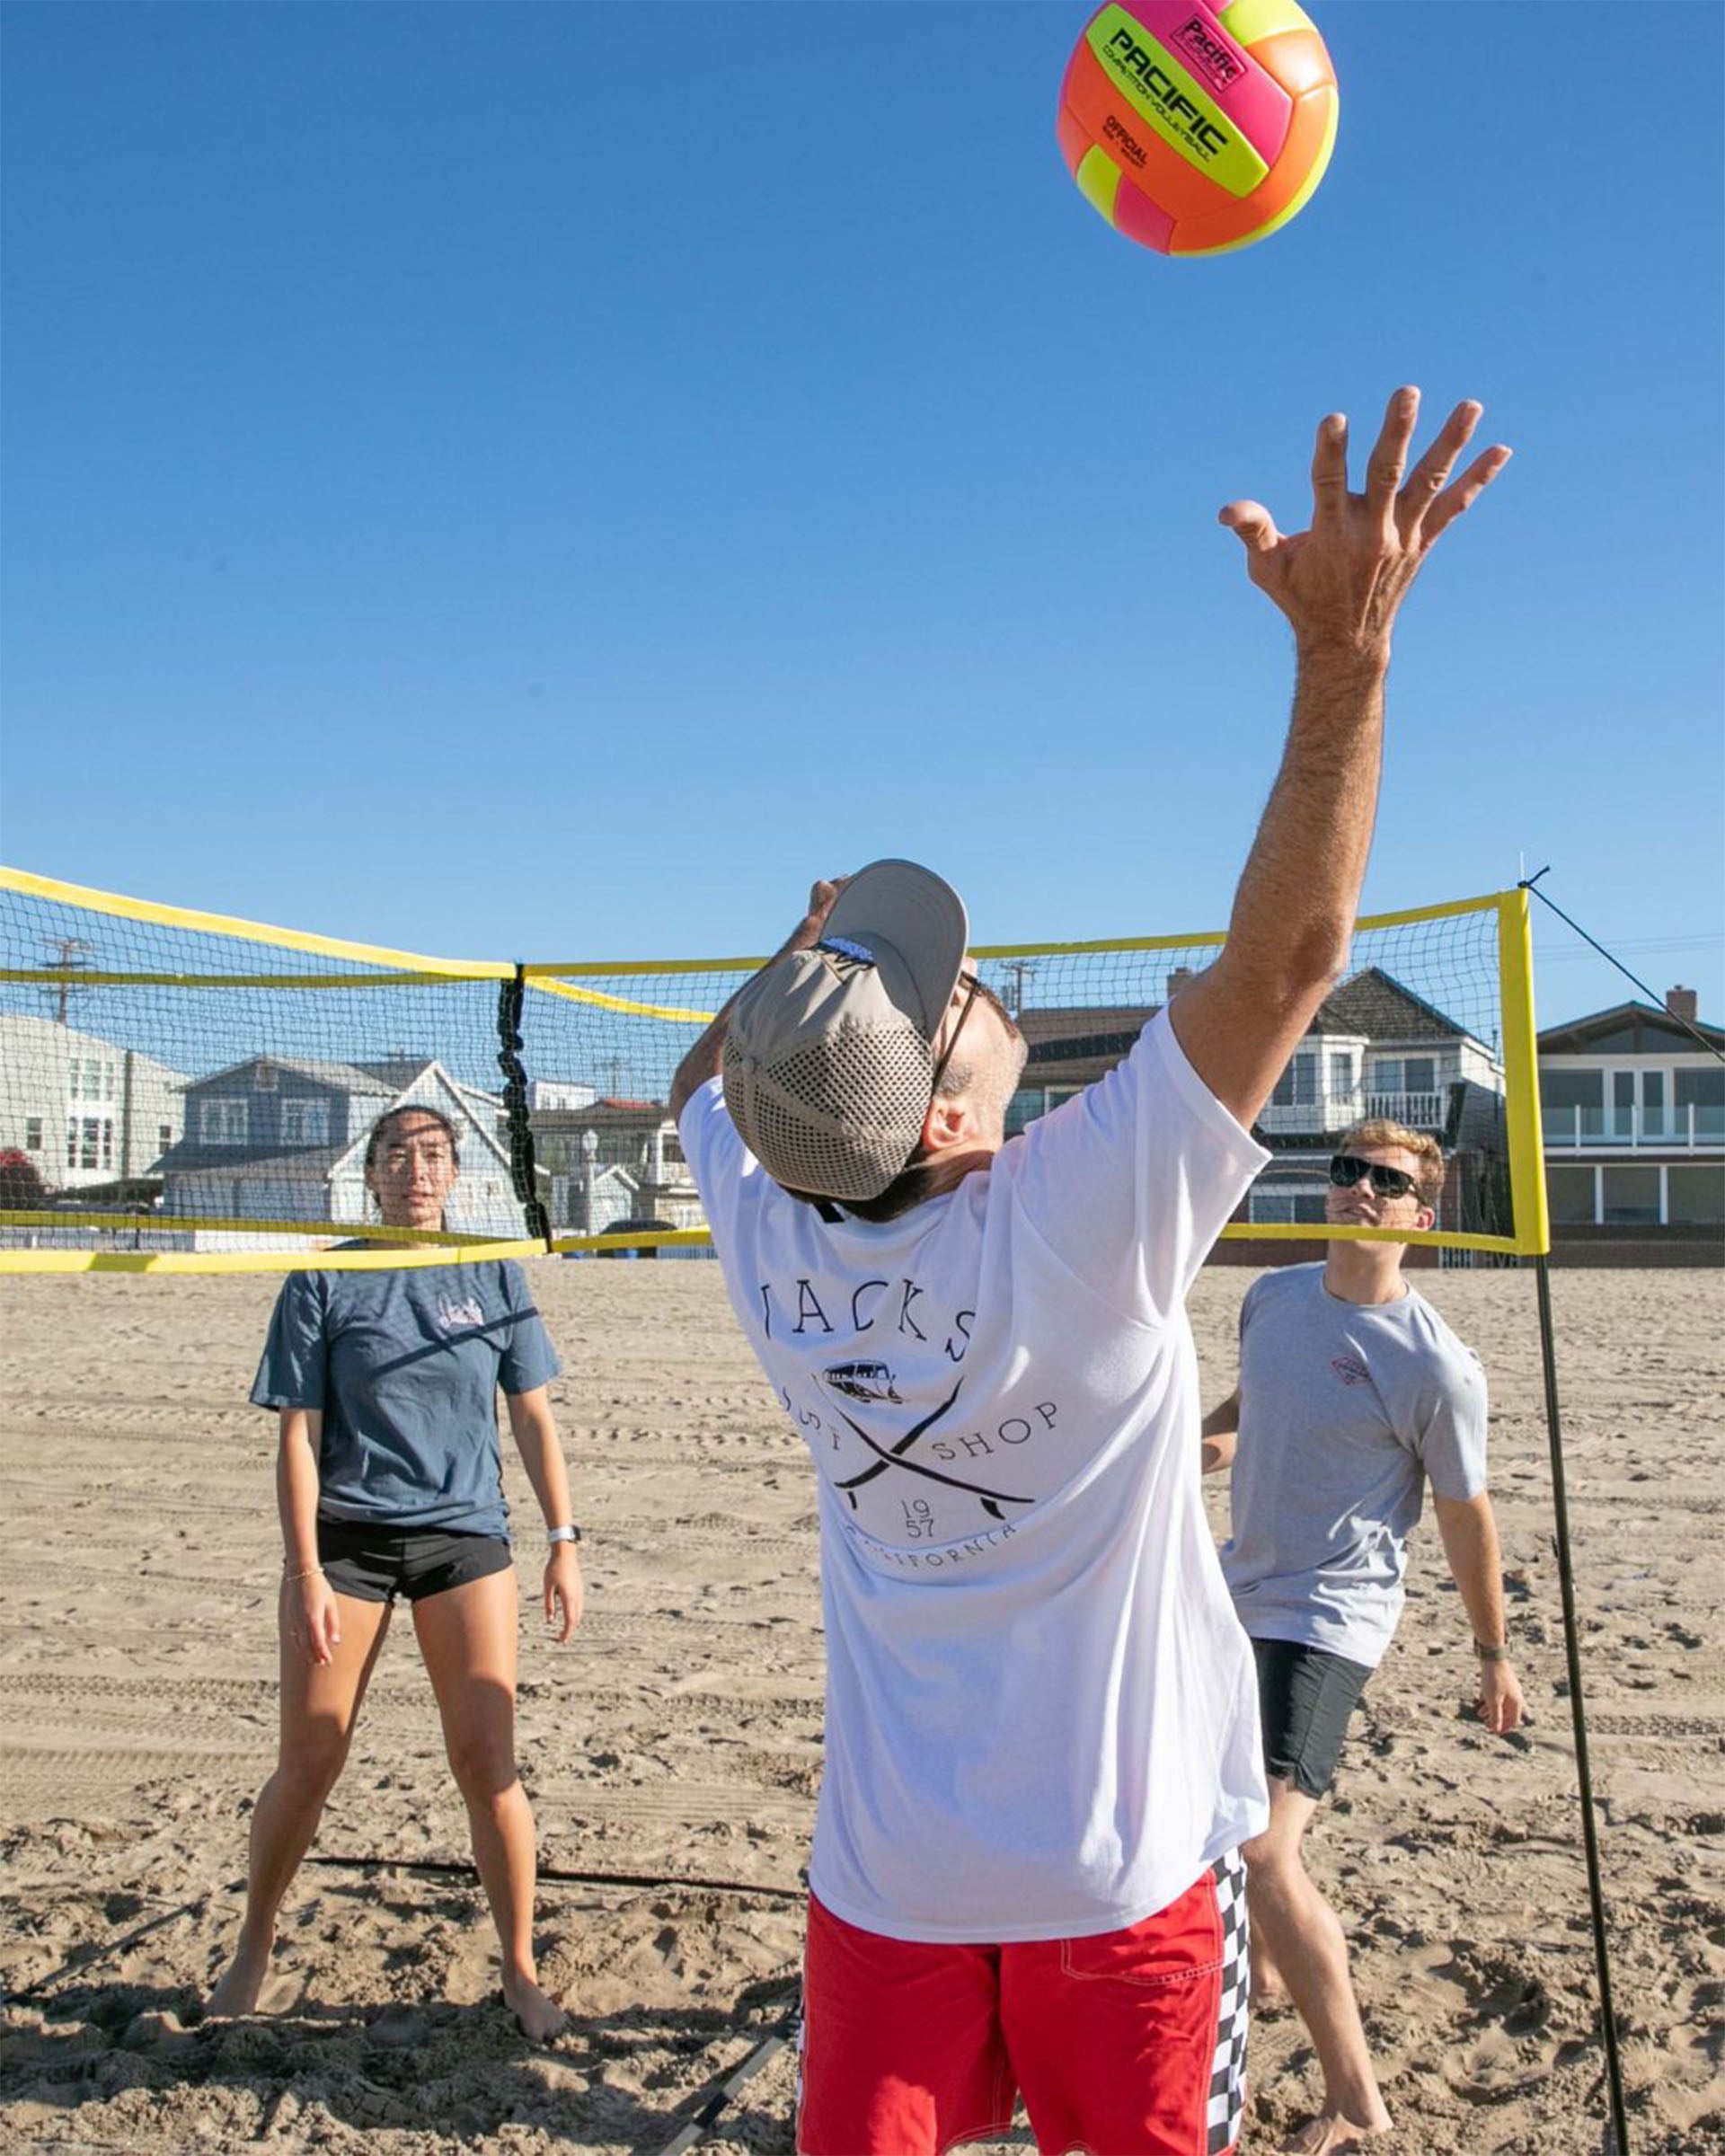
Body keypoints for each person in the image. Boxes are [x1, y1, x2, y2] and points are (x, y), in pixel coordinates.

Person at [668, 389, 1511, 2155]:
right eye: (954, 1004)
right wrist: (1345, 651)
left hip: (884, 1892)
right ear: (960, 1126)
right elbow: (1294, 951)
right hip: (1115, 1893)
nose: (982, 994)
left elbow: (709, 1100)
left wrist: (797, 978)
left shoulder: (762, 1230)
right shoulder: (1067, 1216)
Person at [208, 1103, 584, 2041]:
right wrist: (304, 1569)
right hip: (349, 1541)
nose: (416, 1171)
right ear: (370, 1172)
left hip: (464, 1538)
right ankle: (253, 1946)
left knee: (487, 1763)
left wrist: (564, 1539)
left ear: (455, 1175)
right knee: (310, 1759)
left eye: (434, 1156)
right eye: (398, 1155)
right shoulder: (324, 1279)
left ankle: (520, 1969)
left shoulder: (491, 1270)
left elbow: (533, 1418)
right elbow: (298, 1435)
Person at [1202, 1119, 1527, 2154]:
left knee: (1262, 1845)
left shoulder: (1438, 1366)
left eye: (1385, 1182)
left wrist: (1492, 1654)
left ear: (1420, 1217)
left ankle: (1355, 2098)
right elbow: (1253, 1407)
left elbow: (1465, 1513)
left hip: (1330, 1616)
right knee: (1213, 1832)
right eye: (1347, 1172)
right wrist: (1190, 1450)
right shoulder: (1274, 1296)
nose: (1359, 1191)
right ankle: (1244, 2009)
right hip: (1231, 1592)